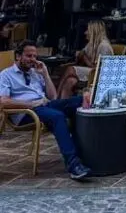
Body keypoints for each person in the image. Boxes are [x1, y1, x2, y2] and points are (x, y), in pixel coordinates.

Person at [0, 40, 90, 180]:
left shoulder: (36, 72)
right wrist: (31, 104)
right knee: (57, 116)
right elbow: (4, 102)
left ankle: (82, 153)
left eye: (35, 56)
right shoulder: (6, 75)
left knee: (79, 103)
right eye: (29, 56)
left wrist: (45, 74)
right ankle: (74, 165)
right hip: (26, 112)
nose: (33, 60)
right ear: (18, 56)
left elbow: (53, 97)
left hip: (44, 105)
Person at [57, 20, 114, 99]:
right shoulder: (91, 44)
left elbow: (98, 68)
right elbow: (81, 54)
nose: (85, 33)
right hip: (90, 71)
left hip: (98, 75)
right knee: (70, 80)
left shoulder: (104, 46)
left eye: (87, 30)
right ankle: (63, 103)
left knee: (70, 69)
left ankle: (56, 95)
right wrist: (81, 55)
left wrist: (85, 57)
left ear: (94, 31)